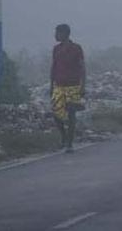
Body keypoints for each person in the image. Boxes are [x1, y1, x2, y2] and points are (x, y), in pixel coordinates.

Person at [50, 24, 85, 153]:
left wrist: (83, 86)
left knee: (71, 114)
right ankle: (64, 136)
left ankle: (69, 143)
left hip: (73, 86)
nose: (55, 35)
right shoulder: (56, 49)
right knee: (56, 114)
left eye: (57, 33)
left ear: (65, 34)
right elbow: (53, 67)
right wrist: (51, 86)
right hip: (59, 86)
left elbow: (82, 68)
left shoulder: (76, 48)